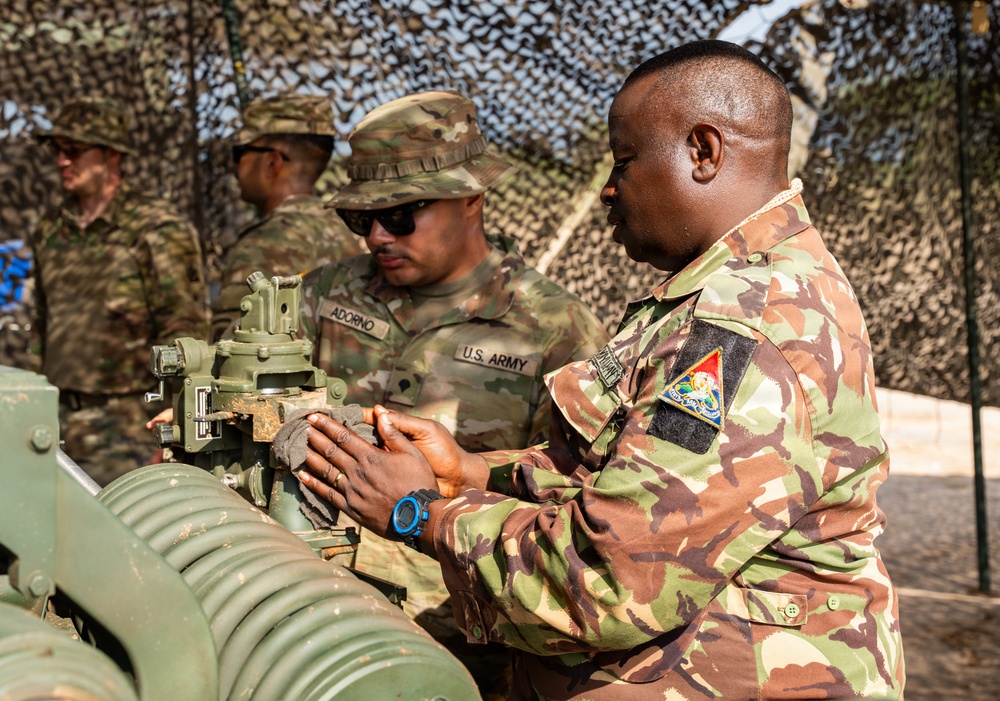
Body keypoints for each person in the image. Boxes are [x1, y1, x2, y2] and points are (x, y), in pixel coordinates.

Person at [294, 42, 906, 700]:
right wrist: (471, 471)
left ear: (704, 151)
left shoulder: (748, 329)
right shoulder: (717, 297)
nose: (611, 188)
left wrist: (418, 511)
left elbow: (606, 579)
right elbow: (615, 473)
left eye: (624, 162)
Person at [297, 90, 610, 698]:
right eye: (363, 220)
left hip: (456, 646)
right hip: (310, 608)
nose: (377, 237)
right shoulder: (322, 296)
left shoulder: (555, 330)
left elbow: (576, 501)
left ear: (471, 198)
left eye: (402, 213)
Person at [31, 96, 209, 486]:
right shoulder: (51, 228)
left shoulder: (156, 229)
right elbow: (42, 324)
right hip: (55, 415)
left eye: (75, 150)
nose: (62, 160)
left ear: (111, 155)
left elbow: (186, 333)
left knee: (118, 535)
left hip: (128, 423)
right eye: (58, 151)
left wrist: (172, 420)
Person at [211, 93, 362, 341]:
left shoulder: (263, 245)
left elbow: (229, 353)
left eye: (240, 153)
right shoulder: (357, 230)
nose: (235, 167)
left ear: (272, 163)